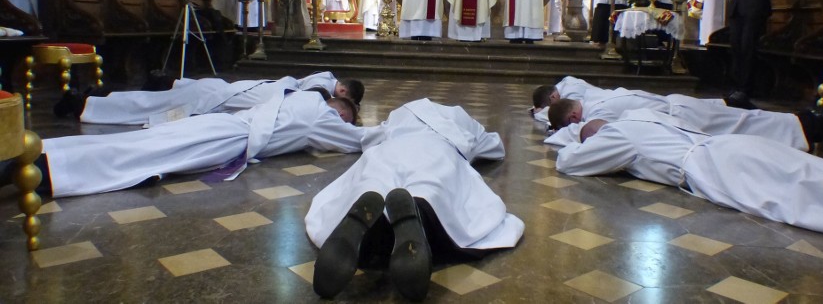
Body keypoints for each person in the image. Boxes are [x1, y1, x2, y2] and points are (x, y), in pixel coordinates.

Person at [306, 99, 525, 300]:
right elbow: (494, 148)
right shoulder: (461, 118)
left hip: (392, 147)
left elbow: (367, 139)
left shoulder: (401, 113)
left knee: (374, 178)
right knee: (433, 186)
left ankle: (368, 222)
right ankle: (417, 211)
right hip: (440, 147)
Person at [552, 109, 823, 235]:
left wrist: (570, 140)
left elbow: (568, 163)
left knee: (785, 196)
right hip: (728, 145)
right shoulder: (640, 117)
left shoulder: (615, 136)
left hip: (710, 166)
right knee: (803, 169)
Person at [39, 90, 363, 197]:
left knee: (148, 142)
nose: (342, 123)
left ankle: (54, 155)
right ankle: (54, 171)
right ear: (337, 106)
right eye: (344, 116)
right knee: (154, 153)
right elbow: (356, 139)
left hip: (224, 127)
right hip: (228, 138)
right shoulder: (321, 116)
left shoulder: (301, 98)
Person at [545, 92, 823, 153]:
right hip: (680, 108)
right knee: (747, 121)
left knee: (749, 124)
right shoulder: (596, 99)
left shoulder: (598, 114)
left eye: (569, 125)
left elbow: (595, 133)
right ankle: (813, 124)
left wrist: (568, 136)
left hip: (685, 116)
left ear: (574, 117)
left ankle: (817, 125)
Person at [71, 71, 364, 125]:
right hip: (213, 100)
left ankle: (96, 99)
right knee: (150, 107)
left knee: (150, 105)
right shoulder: (305, 95)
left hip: (219, 96)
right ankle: (91, 102)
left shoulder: (297, 88)